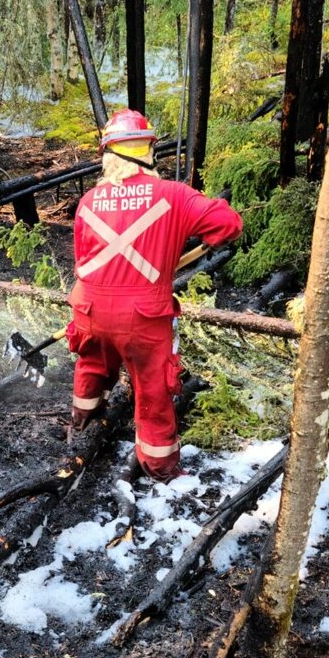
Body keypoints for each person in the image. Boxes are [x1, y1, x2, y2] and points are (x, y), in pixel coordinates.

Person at [67, 109, 242, 482]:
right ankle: (160, 467)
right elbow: (229, 224)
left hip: (88, 306)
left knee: (91, 364)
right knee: (153, 387)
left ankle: (82, 419)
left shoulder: (88, 201)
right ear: (148, 149)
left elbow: (84, 261)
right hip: (142, 316)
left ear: (107, 155)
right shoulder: (174, 195)